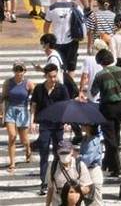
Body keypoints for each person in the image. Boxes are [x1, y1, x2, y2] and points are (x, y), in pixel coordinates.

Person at [30, 63, 70, 195]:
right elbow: (34, 105)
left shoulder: (62, 88)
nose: (53, 79)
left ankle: (59, 180)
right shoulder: (39, 89)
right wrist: (32, 122)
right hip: (44, 125)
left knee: (59, 154)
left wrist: (66, 121)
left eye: (55, 76)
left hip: (58, 125)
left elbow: (66, 106)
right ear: (45, 76)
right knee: (44, 154)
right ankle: (44, 183)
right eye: (51, 77)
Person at [91, 49, 121, 177]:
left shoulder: (100, 75)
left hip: (106, 107)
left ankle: (117, 167)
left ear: (100, 61)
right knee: (116, 134)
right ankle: (108, 163)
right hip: (120, 106)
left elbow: (93, 92)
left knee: (110, 138)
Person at [0, 62, 34, 172]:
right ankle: (12, 163)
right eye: (16, 70)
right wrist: (1, 113)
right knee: (12, 136)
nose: (18, 72)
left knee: (24, 140)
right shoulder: (8, 83)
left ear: (24, 71)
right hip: (11, 110)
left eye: (21, 70)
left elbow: (36, 97)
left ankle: (28, 149)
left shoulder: (28, 83)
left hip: (23, 111)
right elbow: (3, 98)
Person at [43, 0, 84, 77]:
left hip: (56, 41)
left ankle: (60, 85)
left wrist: (48, 39)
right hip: (72, 40)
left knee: (58, 65)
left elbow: (46, 25)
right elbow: (82, 21)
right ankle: (70, 87)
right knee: (71, 67)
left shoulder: (52, 8)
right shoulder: (75, 6)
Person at [46, 140, 93, 206]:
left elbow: (88, 187)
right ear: (57, 153)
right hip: (58, 203)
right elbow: (50, 188)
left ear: (72, 152)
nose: (64, 155)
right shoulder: (52, 167)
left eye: (66, 152)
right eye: (62, 153)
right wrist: (47, 204)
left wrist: (75, 191)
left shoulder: (80, 166)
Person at [78, 124, 103, 205]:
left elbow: (87, 159)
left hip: (93, 171)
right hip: (85, 171)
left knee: (96, 201)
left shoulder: (94, 141)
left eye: (83, 124)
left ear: (89, 127)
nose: (81, 126)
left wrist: (77, 157)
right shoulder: (85, 138)